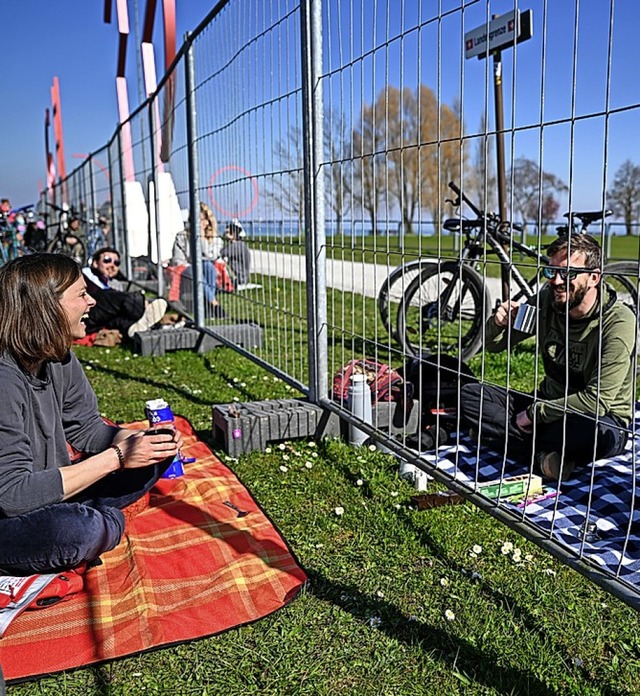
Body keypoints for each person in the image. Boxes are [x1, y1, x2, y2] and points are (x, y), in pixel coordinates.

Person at [0, 253, 182, 575]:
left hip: (51, 492)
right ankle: (104, 521)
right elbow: (12, 495)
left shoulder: (58, 356)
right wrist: (117, 457)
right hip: (9, 517)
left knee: (157, 457)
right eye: (82, 294)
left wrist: (138, 441)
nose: (92, 302)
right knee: (74, 531)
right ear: (46, 307)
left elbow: (86, 428)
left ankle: (93, 516)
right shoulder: (4, 378)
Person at [460, 233, 636, 481]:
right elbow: (496, 346)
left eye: (568, 273)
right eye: (551, 272)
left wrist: (534, 414)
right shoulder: (547, 300)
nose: (556, 281)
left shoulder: (618, 322)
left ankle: (498, 437)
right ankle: (543, 458)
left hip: (598, 419)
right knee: (471, 394)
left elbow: (598, 401)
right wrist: (496, 323)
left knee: (591, 434)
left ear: (594, 277)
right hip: (548, 401)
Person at [83, 247, 168, 338]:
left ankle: (133, 329)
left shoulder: (114, 282)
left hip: (99, 322)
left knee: (118, 319)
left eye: (116, 263)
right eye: (107, 260)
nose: (112, 265)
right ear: (95, 263)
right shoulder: (84, 276)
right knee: (118, 298)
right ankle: (144, 311)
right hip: (85, 315)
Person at [171, 202, 226, 317]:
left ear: (207, 221)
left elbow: (210, 256)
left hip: (206, 269)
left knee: (208, 266)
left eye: (202, 219)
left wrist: (201, 238)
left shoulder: (215, 239)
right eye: (197, 220)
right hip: (187, 270)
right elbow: (178, 260)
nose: (199, 223)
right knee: (197, 269)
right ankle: (213, 303)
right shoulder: (182, 237)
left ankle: (207, 305)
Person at [220, 218, 251, 287]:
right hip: (240, 276)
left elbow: (220, 254)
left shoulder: (236, 246)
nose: (225, 234)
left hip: (240, 278)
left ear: (233, 233)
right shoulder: (237, 244)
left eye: (227, 232)